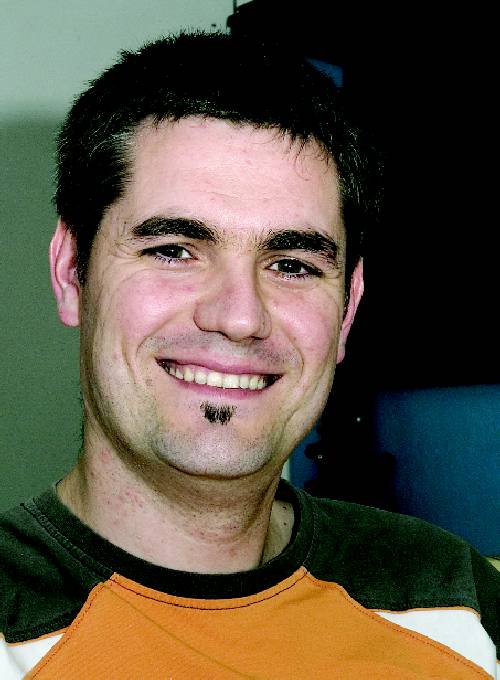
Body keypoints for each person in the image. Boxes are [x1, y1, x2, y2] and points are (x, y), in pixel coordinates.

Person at [0, 30, 498, 679]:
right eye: (173, 250)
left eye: (292, 265)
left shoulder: (454, 600)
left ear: (347, 309)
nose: (240, 318)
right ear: (71, 273)